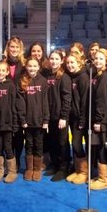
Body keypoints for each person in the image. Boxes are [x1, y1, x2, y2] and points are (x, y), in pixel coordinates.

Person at [17, 57, 49, 182]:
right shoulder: (23, 81)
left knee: (39, 144)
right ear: (26, 67)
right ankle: (29, 169)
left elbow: (46, 101)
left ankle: (37, 169)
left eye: (35, 66)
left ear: (39, 67)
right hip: (27, 122)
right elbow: (20, 103)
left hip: (40, 121)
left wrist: (46, 120)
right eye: (30, 66)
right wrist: (22, 119)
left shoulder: (43, 81)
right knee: (29, 144)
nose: (32, 68)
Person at [44, 50, 71, 182]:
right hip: (49, 115)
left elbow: (67, 98)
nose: (54, 61)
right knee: (52, 141)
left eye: (56, 59)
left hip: (60, 116)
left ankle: (64, 167)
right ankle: (55, 164)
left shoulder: (64, 77)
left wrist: (64, 117)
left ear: (61, 61)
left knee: (62, 142)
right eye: (52, 59)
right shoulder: (46, 75)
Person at [0, 61, 18, 183]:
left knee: (8, 147)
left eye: (3, 70)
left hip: (8, 123)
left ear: (7, 72)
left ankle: (12, 171)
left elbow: (14, 105)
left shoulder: (11, 85)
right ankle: (0, 170)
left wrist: (14, 123)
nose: (0, 72)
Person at [65, 52, 90, 185]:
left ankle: (84, 172)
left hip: (81, 118)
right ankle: (78, 169)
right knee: (75, 144)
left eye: (72, 62)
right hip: (73, 117)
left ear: (79, 63)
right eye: (68, 63)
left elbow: (85, 101)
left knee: (77, 143)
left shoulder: (83, 77)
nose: (70, 65)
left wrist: (82, 120)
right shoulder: (70, 76)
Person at [89, 48, 107, 190]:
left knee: (102, 147)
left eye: (101, 59)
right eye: (96, 58)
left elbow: (102, 101)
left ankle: (104, 179)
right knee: (97, 146)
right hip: (97, 118)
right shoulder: (97, 75)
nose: (98, 61)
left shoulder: (104, 77)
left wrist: (98, 120)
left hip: (101, 120)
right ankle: (100, 176)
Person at [3, 36, 26, 170]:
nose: (14, 49)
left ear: (21, 49)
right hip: (5, 102)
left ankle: (16, 159)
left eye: (17, 47)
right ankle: (9, 159)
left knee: (18, 134)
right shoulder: (2, 63)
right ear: (8, 48)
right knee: (6, 133)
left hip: (19, 102)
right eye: (12, 46)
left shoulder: (24, 64)